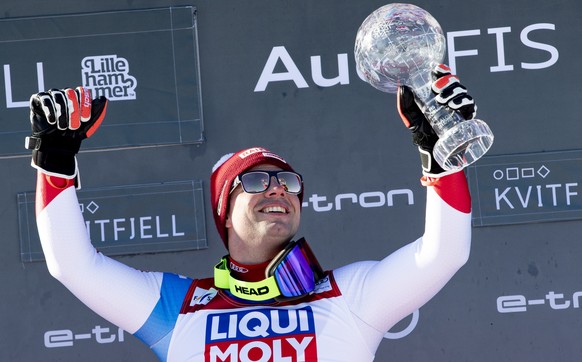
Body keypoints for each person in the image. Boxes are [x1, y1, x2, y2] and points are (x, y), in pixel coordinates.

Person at [27, 64, 474, 361]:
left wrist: (440, 154)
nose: (279, 187)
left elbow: (443, 254)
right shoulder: (176, 308)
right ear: (224, 209)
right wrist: (55, 162)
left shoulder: (351, 296)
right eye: (257, 180)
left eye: (289, 182)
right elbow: (73, 265)